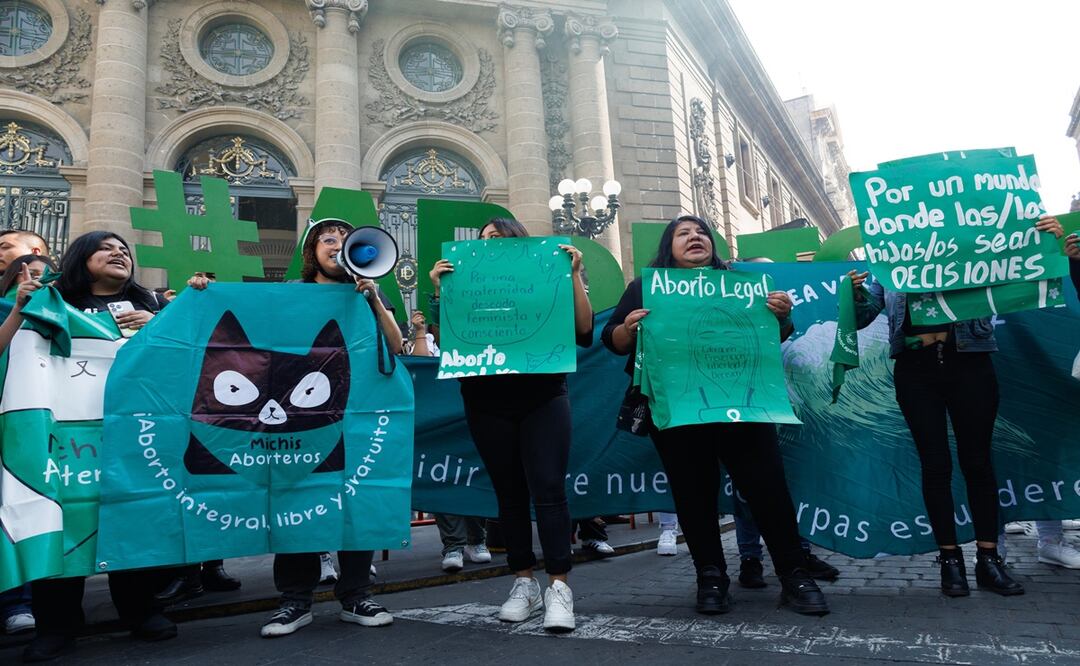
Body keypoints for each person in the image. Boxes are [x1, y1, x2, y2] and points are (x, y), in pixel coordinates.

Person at [603, 215, 828, 617]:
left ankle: (795, 576)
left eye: (701, 232)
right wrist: (630, 327)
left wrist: (781, 315)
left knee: (768, 490)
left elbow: (775, 334)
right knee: (693, 495)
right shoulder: (646, 287)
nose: (694, 237)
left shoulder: (742, 283)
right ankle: (711, 577)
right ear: (668, 248)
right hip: (676, 409)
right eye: (683, 234)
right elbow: (614, 342)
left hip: (746, 406)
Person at [190, 219, 402, 638]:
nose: (339, 245)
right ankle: (294, 601)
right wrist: (204, 292)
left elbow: (394, 346)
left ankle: (357, 594)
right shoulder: (291, 292)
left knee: (354, 502)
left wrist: (375, 300)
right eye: (329, 240)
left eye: (346, 239)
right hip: (294, 420)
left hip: (353, 417)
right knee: (293, 504)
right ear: (312, 253)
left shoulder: (368, 295)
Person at [847, 216, 1062, 597]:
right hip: (915, 371)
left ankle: (989, 560)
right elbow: (863, 318)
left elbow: (1021, 276)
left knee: (977, 462)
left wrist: (1044, 242)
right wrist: (855, 294)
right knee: (936, 465)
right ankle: (950, 561)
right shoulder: (887, 263)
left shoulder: (972, 249)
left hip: (971, 364)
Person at [428, 218, 593, 632]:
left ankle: (559, 586)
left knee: (549, 488)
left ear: (519, 242)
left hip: (543, 395)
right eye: (483, 239)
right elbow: (450, 344)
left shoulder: (549, 272)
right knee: (509, 494)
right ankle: (523, 582)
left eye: (498, 237)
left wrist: (572, 276)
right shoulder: (461, 279)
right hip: (485, 399)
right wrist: (440, 291)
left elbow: (584, 330)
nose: (489, 243)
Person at [20, 231, 176, 662]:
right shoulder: (52, 301)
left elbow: (188, 361)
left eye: (124, 249)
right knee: (64, 522)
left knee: (132, 519)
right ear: (81, 257)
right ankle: (56, 626)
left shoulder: (155, 306)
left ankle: (141, 611)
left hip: (136, 435)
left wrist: (162, 325)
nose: (119, 253)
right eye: (106, 248)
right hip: (68, 437)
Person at [0, 254, 57, 637]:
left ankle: (29, 602)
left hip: (40, 428)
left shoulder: (64, 316)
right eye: (29, 276)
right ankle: (14, 603)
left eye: (46, 278)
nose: (37, 283)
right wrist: (19, 309)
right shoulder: (10, 309)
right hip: (8, 420)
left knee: (34, 510)